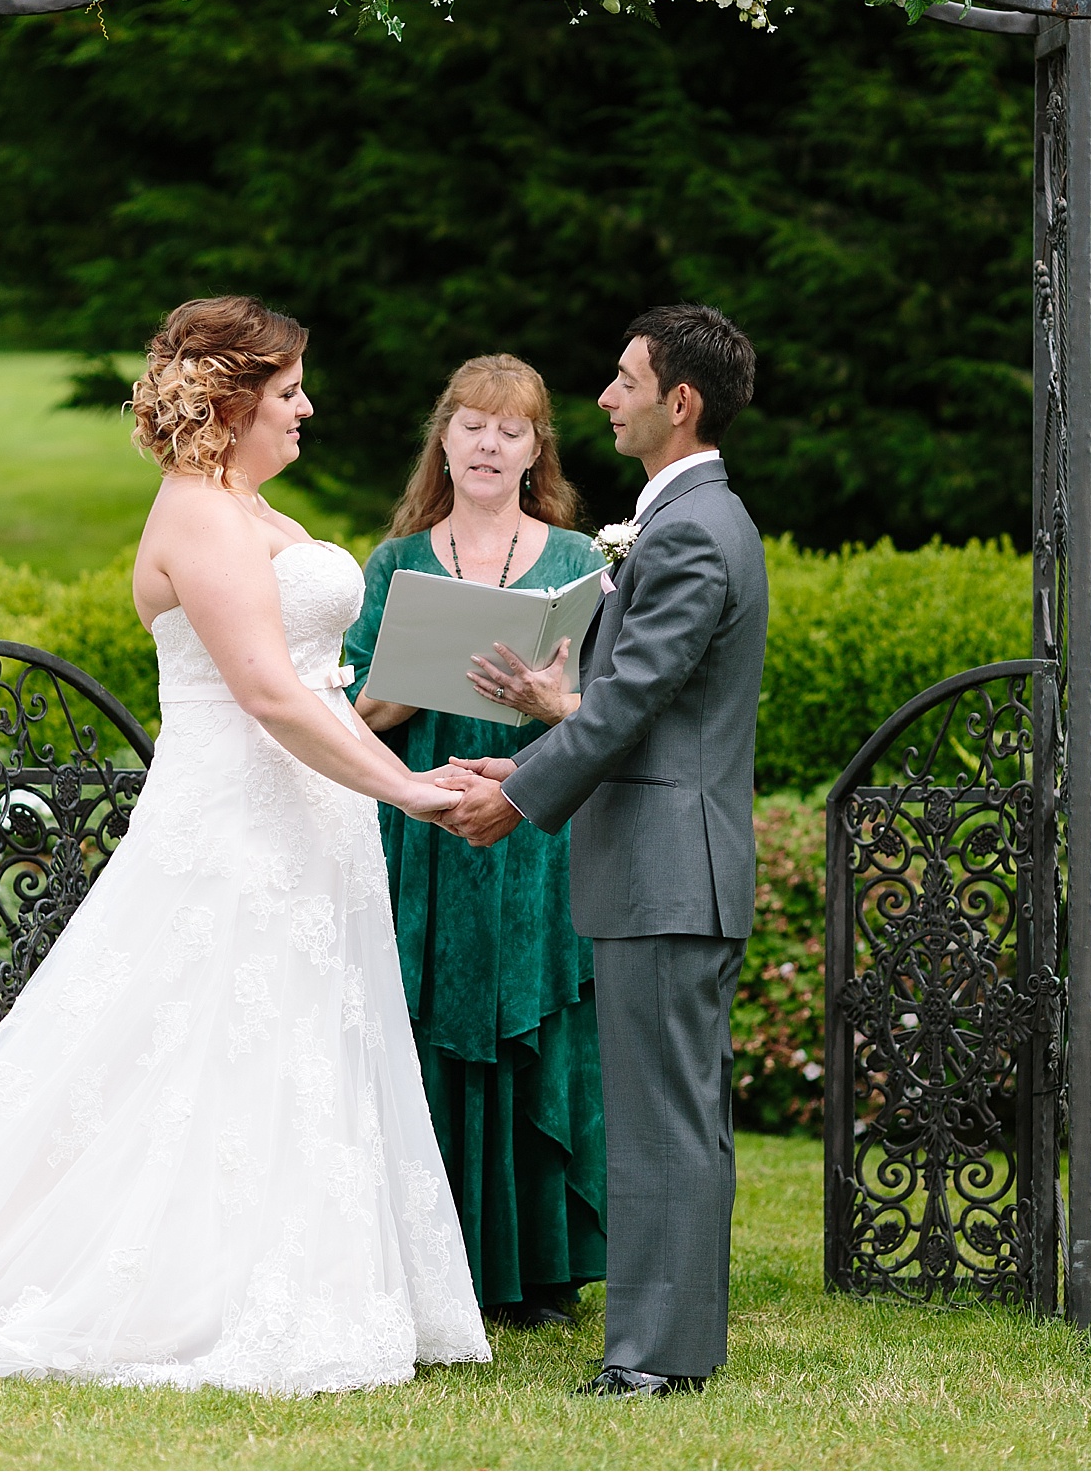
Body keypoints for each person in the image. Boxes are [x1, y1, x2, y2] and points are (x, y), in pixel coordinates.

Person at [0, 296, 489, 1395]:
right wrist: (406, 795)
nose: (308, 408)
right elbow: (262, 692)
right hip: (236, 819)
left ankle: (303, 1267)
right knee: (193, 1035)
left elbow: (318, 685)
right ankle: (189, 1281)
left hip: (309, 818)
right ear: (233, 401)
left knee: (292, 1029)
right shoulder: (197, 513)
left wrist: (422, 756)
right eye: (289, 392)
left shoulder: (254, 510)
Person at [439, 305, 767, 1398]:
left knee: (663, 1120)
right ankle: (677, 1344)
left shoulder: (687, 530)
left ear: (679, 402)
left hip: (668, 871)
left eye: (624, 379)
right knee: (679, 1115)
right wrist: (532, 744)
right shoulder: (689, 520)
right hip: (668, 861)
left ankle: (652, 1358)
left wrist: (519, 798)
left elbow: (628, 703)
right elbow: (644, 709)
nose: (605, 397)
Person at [345, 355, 607, 1326]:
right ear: (442, 437)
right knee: (418, 1023)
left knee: (533, 1023)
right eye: (471, 424)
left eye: (512, 428)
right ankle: (425, 1257)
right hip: (422, 820)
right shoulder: (394, 562)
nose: (489, 443)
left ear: (537, 448)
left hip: (535, 823)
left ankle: (537, 1267)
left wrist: (549, 703)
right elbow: (351, 716)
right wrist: (402, 689)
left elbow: (607, 713)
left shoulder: (581, 561)